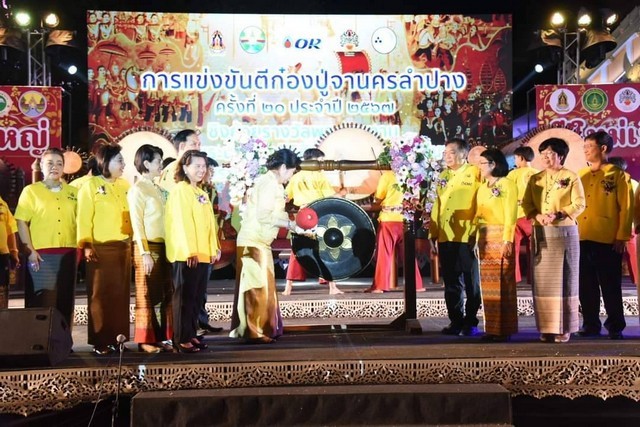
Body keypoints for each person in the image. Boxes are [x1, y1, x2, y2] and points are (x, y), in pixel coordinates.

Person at [230, 148, 303, 343]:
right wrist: (290, 224)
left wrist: (292, 224)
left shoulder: (274, 184)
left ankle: (265, 327)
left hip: (261, 241)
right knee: (256, 286)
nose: (291, 176)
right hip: (253, 240)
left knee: (264, 285)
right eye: (291, 172)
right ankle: (254, 331)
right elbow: (264, 216)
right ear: (282, 167)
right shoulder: (267, 184)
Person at [521, 137, 585, 343]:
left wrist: (559, 214)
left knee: (565, 280)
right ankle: (547, 327)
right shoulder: (536, 178)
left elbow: (580, 203)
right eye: (543, 154)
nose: (545, 157)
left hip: (564, 233)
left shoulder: (570, 176)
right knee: (543, 283)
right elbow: (527, 203)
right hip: (541, 233)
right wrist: (536, 215)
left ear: (561, 156)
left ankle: (565, 328)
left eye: (550, 153)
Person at [77, 144, 133, 355]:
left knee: (120, 294)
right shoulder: (90, 186)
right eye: (119, 160)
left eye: (122, 161)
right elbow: (83, 217)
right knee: (99, 295)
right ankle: (101, 340)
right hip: (99, 248)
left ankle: (118, 339)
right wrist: (87, 245)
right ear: (105, 162)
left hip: (123, 247)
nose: (123, 165)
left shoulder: (125, 185)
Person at [576, 131, 632, 340]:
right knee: (586, 284)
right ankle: (590, 324)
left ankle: (615, 324)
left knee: (610, 284)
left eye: (589, 147)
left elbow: (626, 208)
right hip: (582, 236)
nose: (585, 151)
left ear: (603, 148)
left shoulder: (617, 175)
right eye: (584, 148)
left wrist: (622, 236)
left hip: (608, 239)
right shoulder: (580, 174)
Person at [15, 148, 78, 328]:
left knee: (65, 301)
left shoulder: (73, 192)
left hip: (68, 254)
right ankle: (39, 344)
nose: (54, 167)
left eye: (59, 164)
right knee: (42, 300)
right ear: (41, 166)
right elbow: (21, 222)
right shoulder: (31, 191)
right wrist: (30, 250)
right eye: (50, 163)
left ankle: (64, 343)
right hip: (41, 255)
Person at [165, 150, 221, 353]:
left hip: (203, 254)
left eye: (203, 166)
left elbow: (209, 224)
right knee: (184, 298)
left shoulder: (201, 192)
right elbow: (181, 223)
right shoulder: (181, 190)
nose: (201, 169)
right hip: (187, 254)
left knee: (196, 298)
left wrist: (214, 247)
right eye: (196, 166)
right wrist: (189, 250)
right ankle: (180, 338)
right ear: (185, 168)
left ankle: (190, 334)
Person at [429, 138, 482, 336]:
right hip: (446, 235)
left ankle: (471, 321)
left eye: (450, 152)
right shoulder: (443, 175)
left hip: (467, 234)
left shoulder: (475, 173)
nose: (446, 156)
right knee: (451, 281)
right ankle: (455, 321)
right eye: (445, 153)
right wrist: (433, 232)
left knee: (471, 282)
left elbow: (481, 203)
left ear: (462, 154)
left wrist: (477, 231)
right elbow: (438, 204)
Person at [127, 144, 173, 353]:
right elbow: (137, 223)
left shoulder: (159, 188)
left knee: (164, 293)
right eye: (157, 161)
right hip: (147, 247)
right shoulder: (138, 189)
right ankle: (145, 339)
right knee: (146, 294)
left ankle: (161, 336)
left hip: (165, 246)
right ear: (146, 164)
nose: (161, 165)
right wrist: (144, 251)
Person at [283, 148, 345, 295]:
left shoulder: (296, 177)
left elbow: (286, 197)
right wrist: (342, 193)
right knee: (326, 248)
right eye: (321, 161)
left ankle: (288, 288)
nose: (322, 164)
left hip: (302, 213)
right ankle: (332, 287)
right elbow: (329, 197)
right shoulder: (319, 176)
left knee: (297, 250)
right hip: (317, 213)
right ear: (313, 160)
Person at [474, 149, 518, 342]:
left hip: (501, 235)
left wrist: (508, 239)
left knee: (503, 283)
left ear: (493, 164)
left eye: (483, 163)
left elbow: (511, 214)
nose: (480, 167)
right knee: (488, 286)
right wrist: (476, 240)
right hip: (485, 237)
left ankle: (504, 329)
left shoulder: (507, 184)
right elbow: (478, 216)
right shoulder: (482, 187)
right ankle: (491, 328)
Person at [367, 170, 425, 293]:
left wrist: (376, 199)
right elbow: (416, 199)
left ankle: (379, 286)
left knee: (384, 255)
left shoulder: (387, 176)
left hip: (389, 219)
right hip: (406, 220)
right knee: (408, 255)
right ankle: (417, 285)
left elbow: (378, 198)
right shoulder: (413, 175)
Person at [197, 156, 223, 335]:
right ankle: (195, 324)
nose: (209, 174)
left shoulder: (210, 190)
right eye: (208, 170)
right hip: (195, 244)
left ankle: (202, 320)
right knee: (194, 287)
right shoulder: (189, 190)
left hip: (210, 239)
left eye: (211, 170)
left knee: (202, 286)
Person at [507, 146, 538, 284]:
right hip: (533, 216)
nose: (515, 161)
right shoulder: (539, 174)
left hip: (517, 216)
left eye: (515, 158)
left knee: (514, 249)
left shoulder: (513, 174)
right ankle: (534, 278)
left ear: (521, 158)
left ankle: (515, 277)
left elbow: (507, 195)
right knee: (534, 249)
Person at [608, 156, 638, 285]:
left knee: (633, 258)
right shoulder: (634, 183)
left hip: (627, 227)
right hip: (616, 227)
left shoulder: (631, 184)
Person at [0, 196, 19, 309]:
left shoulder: (2, 203)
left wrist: (14, 251)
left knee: (2, 292)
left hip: (2, 256)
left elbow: (10, 228)